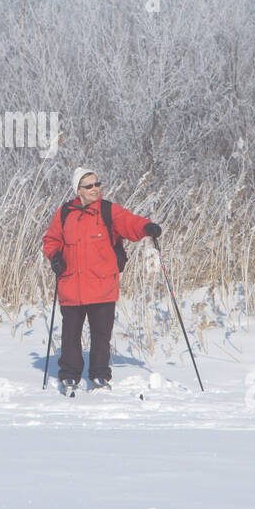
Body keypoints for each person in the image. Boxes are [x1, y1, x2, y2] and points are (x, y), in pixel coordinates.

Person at [41, 167, 161, 392]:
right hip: (71, 284)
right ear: (78, 190)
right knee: (70, 335)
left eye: (97, 184)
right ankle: (69, 375)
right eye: (89, 186)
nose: (95, 189)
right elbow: (51, 239)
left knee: (101, 334)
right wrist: (55, 256)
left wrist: (147, 228)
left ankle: (99, 374)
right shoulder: (65, 212)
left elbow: (130, 222)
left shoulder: (108, 211)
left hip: (102, 284)